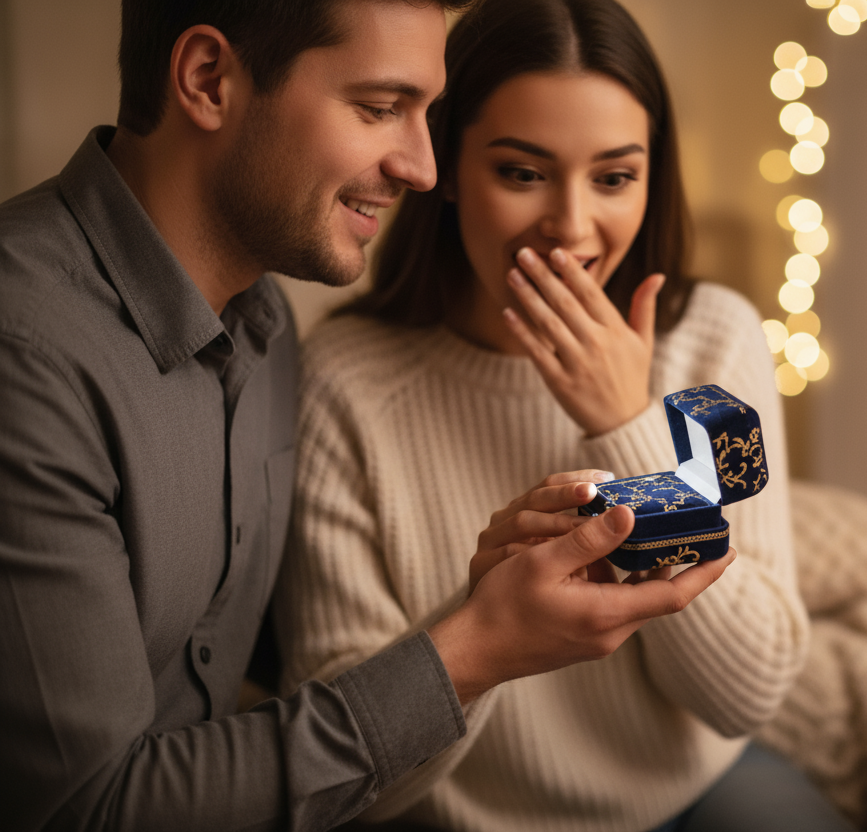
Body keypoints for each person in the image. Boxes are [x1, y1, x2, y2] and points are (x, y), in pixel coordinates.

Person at [0, 1, 734, 829]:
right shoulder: (26, 356)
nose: (424, 167)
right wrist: (477, 646)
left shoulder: (269, 331)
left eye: (426, 113)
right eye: (380, 109)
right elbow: (80, 809)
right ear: (209, 81)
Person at [274, 1, 850, 829]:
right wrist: (486, 628)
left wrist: (627, 421)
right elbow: (350, 781)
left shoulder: (714, 342)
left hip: (695, 793)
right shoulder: (347, 381)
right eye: (522, 173)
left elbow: (747, 692)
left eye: (614, 177)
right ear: (442, 165)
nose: (572, 228)